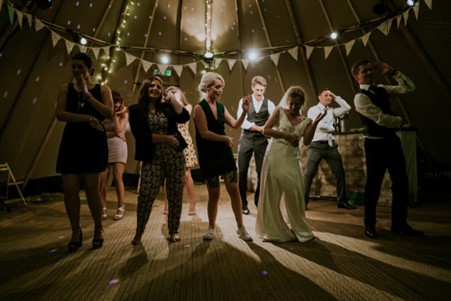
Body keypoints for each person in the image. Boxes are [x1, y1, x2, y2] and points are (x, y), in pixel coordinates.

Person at [351, 59, 424, 239]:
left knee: (401, 182)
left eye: (370, 70)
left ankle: (399, 223)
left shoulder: (382, 89)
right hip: (375, 144)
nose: (369, 73)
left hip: (392, 141)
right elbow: (381, 119)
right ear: (356, 76)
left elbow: (409, 88)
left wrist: (393, 72)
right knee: (373, 185)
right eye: (364, 71)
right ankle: (369, 224)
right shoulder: (360, 97)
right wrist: (399, 120)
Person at [55, 52, 113, 252]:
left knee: (91, 187)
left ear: (90, 70)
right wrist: (86, 118)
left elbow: (109, 113)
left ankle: (98, 228)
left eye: (81, 67)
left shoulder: (102, 89)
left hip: (93, 141)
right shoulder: (65, 89)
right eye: (74, 67)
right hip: (72, 140)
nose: (77, 71)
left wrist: (88, 96)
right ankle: (75, 231)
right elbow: (60, 114)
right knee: (70, 188)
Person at [255, 86, 325, 242]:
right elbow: (266, 130)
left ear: (302, 104)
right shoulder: (279, 111)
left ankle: (299, 228)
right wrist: (286, 135)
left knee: (295, 192)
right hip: (274, 154)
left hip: (292, 158)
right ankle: (273, 230)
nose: (293, 107)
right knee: (272, 193)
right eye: (291, 103)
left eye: (297, 104)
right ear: (288, 101)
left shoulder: (306, 121)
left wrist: (314, 125)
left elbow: (306, 141)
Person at [128, 76, 190, 245]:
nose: (155, 88)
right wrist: (166, 138)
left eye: (158, 86)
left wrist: (172, 99)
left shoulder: (167, 108)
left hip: (174, 156)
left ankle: (174, 230)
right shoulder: (135, 110)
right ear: (145, 89)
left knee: (175, 193)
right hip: (152, 157)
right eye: (151, 86)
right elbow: (140, 136)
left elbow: (184, 117)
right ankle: (139, 231)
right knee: (146, 194)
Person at [193, 72, 252, 241]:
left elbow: (234, 124)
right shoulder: (199, 108)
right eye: (217, 87)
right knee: (214, 194)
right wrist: (224, 138)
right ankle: (211, 228)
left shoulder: (221, 106)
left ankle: (241, 227)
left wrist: (244, 113)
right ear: (207, 86)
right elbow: (204, 133)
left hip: (224, 152)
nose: (220, 90)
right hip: (209, 154)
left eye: (222, 88)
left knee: (234, 190)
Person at [303, 88, 356, 210]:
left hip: (330, 146)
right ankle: (303, 202)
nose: (328, 97)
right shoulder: (313, 110)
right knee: (309, 174)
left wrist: (335, 96)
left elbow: (347, 108)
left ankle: (342, 201)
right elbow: (320, 126)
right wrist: (332, 128)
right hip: (316, 145)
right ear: (319, 97)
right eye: (326, 95)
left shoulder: (331, 111)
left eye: (330, 96)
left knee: (340, 173)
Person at [237, 76, 275, 214]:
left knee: (263, 171)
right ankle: (243, 203)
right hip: (246, 139)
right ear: (252, 88)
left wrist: (269, 128)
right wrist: (259, 128)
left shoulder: (270, 104)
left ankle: (259, 200)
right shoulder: (244, 101)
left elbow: (273, 120)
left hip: (261, 141)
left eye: (262, 90)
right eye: (257, 89)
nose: (259, 92)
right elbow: (242, 122)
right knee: (241, 172)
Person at [163, 86, 198, 216]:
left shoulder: (188, 106)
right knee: (168, 174)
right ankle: (167, 203)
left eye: (175, 92)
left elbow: (184, 116)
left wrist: (174, 100)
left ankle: (192, 203)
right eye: (170, 92)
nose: (172, 94)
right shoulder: (166, 107)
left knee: (187, 173)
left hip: (184, 140)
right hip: (171, 139)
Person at [99, 90, 129, 220]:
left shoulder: (123, 115)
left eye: (118, 102)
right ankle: (102, 207)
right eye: (114, 102)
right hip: (103, 146)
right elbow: (98, 132)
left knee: (117, 177)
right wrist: (113, 134)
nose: (116, 104)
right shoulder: (101, 113)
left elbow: (119, 130)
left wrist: (115, 116)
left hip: (118, 147)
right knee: (102, 179)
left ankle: (120, 206)